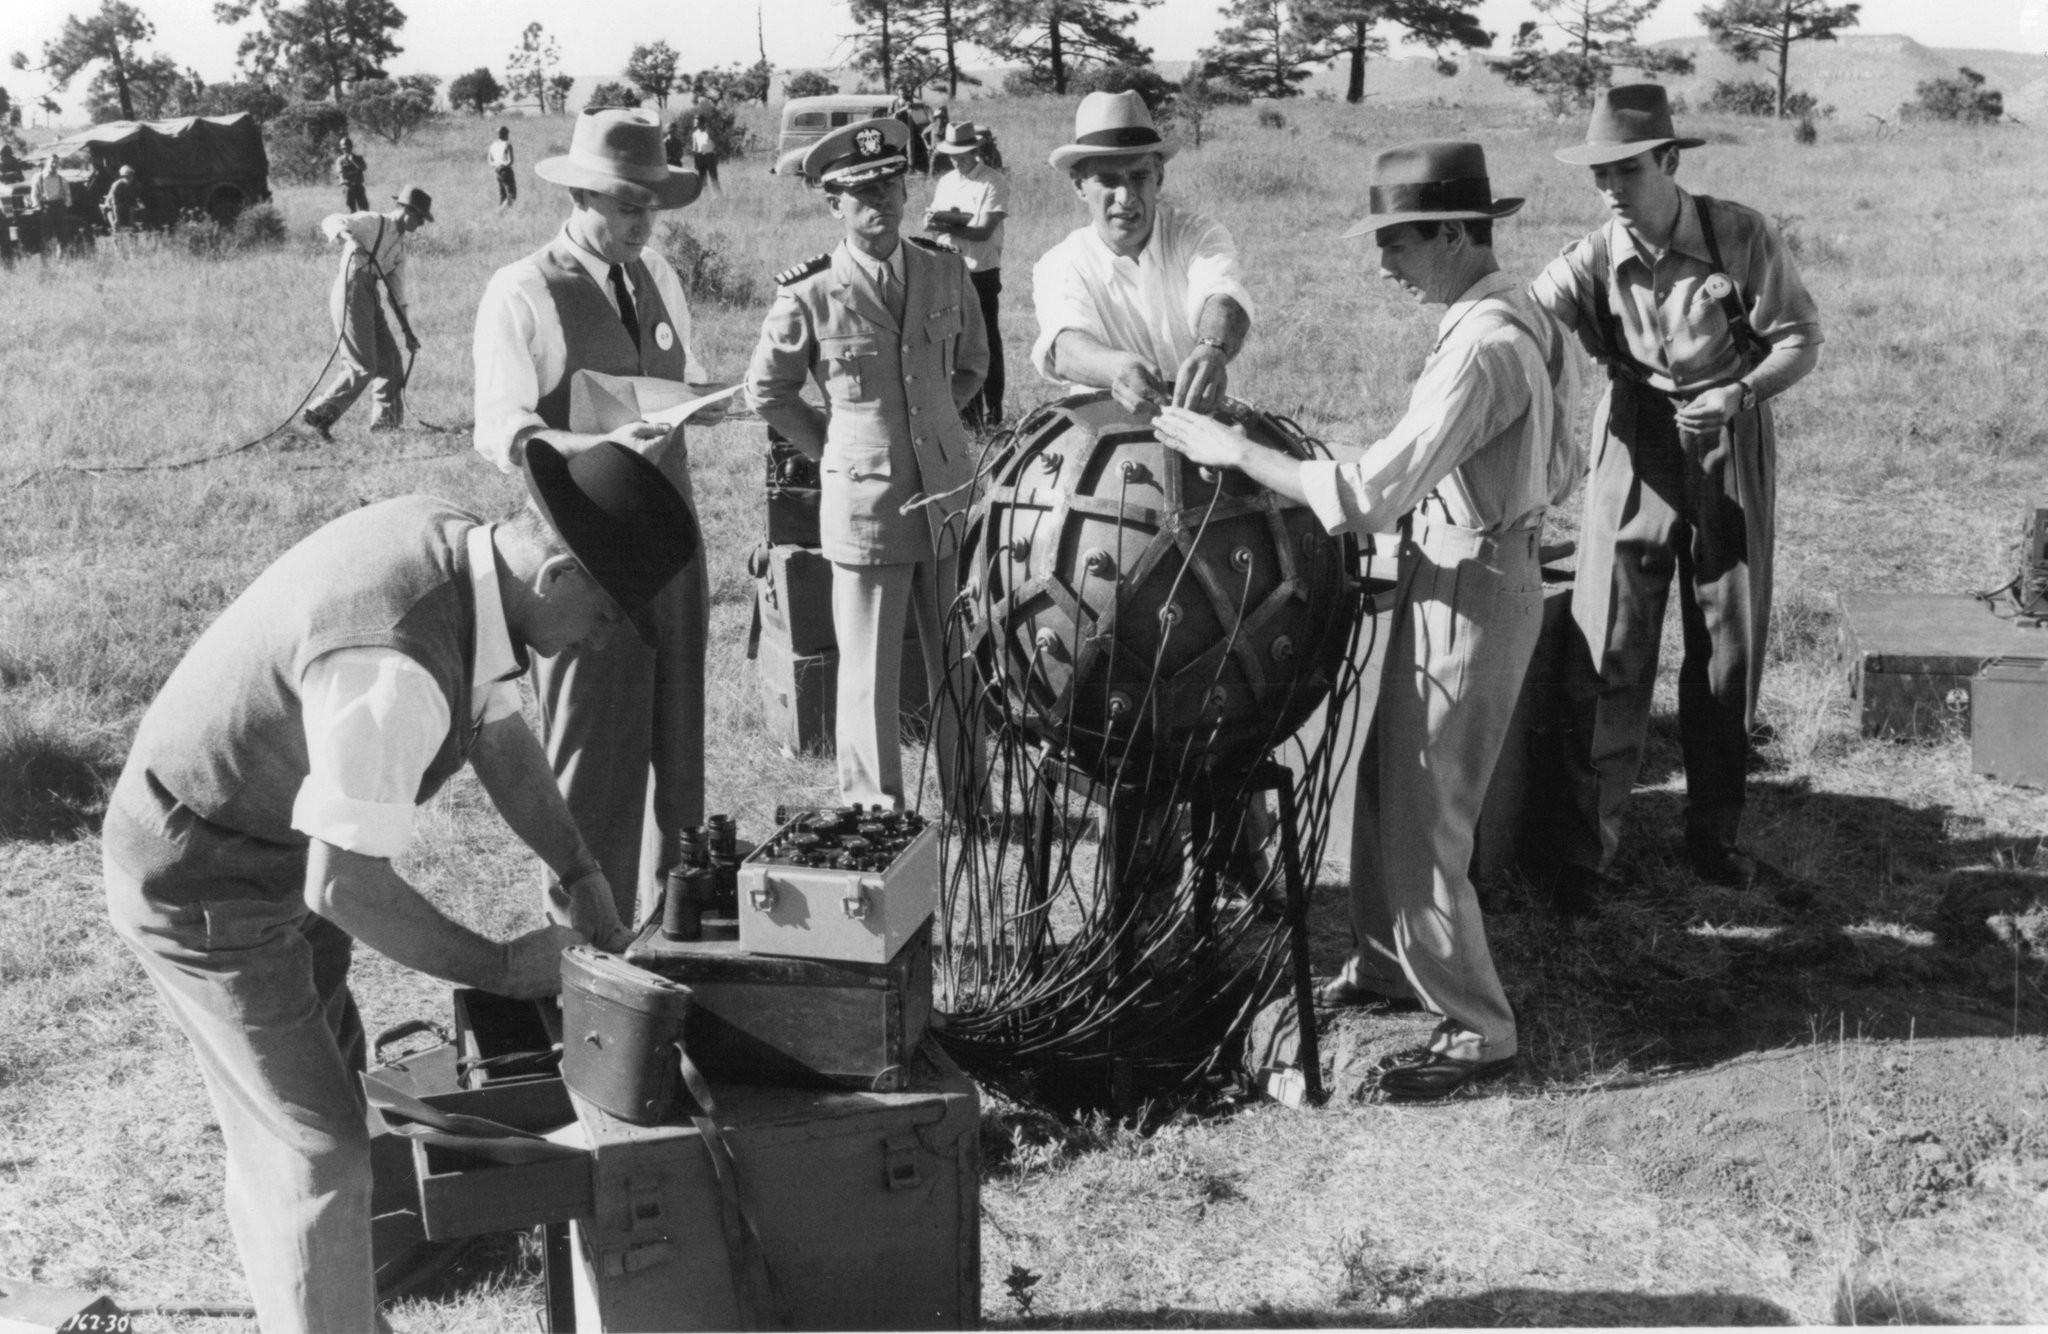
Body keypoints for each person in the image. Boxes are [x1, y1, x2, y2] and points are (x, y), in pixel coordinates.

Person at [103, 437, 697, 1333]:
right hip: (203, 877)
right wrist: (505, 967)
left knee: (317, 1115)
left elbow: (496, 733)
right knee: (319, 1154)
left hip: (267, 844)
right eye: (607, 615)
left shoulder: (463, 553)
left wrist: (579, 867)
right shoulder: (395, 664)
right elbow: (343, 886)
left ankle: (325, 1310)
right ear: (558, 575)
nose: (601, 640)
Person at [1155, 140, 1578, 1102]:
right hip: (1463, 563)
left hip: (1472, 585)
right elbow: (1475, 464)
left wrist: (1236, 451)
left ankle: (1478, 1026)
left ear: (1452, 233)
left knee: (1431, 812)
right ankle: (1388, 964)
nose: (1384, 263)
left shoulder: (1486, 346)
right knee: (1390, 785)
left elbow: (1370, 493)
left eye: (1397, 241)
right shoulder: (1516, 315)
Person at [1530, 84, 1822, 906]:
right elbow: (1528, 318)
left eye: (1626, 170)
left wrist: (1742, 392)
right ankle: (1587, 853)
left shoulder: (1740, 235)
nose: (1611, 190)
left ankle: (1714, 836)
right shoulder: (1592, 256)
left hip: (1729, 433)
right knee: (1609, 637)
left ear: (1668, 160)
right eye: (1599, 175)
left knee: (1727, 641)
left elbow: (1800, 338)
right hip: (1635, 432)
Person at [472, 108, 724, 928]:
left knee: (678, 752)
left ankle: (676, 931)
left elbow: (681, 378)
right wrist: (592, 444)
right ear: (580, 195)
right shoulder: (523, 289)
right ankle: (585, 947)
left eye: (652, 207)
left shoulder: (660, 278)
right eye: (626, 206)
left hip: (672, 542)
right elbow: (501, 429)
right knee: (592, 757)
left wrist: (713, 401)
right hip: (583, 558)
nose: (642, 224)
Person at [745, 117, 988, 813]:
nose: (879, 201)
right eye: (861, 192)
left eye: (889, 185)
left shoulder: (945, 270)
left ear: (906, 192)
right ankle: (877, 812)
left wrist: (932, 427)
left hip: (946, 494)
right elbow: (767, 390)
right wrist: (835, 448)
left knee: (960, 659)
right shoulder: (810, 292)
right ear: (834, 205)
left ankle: (971, 801)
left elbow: (972, 366)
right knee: (869, 670)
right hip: (865, 503)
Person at [1032, 89, 1253, 418]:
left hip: (1203, 421)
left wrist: (1212, 348)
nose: (1125, 197)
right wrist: (1116, 368)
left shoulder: (1197, 234)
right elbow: (1065, 348)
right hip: (1108, 430)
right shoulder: (1060, 263)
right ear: (1079, 185)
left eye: (1138, 177)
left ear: (1159, 177)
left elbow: (1223, 296)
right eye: (1108, 180)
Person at [300, 185, 433, 438]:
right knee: (362, 365)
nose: (421, 224)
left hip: (371, 296)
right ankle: (318, 415)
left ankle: (387, 428)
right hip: (351, 289)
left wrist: (408, 332)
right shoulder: (372, 221)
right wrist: (349, 238)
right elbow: (331, 220)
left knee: (390, 362)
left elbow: (397, 296)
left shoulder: (399, 249)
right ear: (407, 211)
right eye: (420, 218)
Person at [924, 119, 1008, 427]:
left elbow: (984, 231)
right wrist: (934, 223)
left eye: (962, 155)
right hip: (949, 269)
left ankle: (993, 413)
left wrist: (947, 226)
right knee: (956, 343)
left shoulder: (992, 182)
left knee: (986, 344)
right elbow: (934, 221)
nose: (957, 161)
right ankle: (968, 415)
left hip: (980, 271)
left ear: (975, 151)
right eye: (952, 156)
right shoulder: (946, 182)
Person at [34, 156, 70, 255]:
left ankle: (62, 258)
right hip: (46, 208)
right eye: (52, 162)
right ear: (47, 163)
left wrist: (65, 205)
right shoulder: (39, 177)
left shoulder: (61, 178)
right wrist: (39, 207)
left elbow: (67, 194)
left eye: (56, 163)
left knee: (62, 234)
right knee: (46, 235)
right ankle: (47, 260)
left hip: (59, 206)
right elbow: (34, 194)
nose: (54, 165)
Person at [335, 134, 368, 213]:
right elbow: (341, 173)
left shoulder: (358, 158)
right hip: (348, 188)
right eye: (344, 148)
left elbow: (363, 168)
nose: (346, 150)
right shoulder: (340, 160)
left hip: (358, 187)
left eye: (348, 148)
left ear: (351, 147)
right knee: (351, 211)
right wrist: (355, 171)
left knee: (365, 210)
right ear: (341, 149)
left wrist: (353, 161)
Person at [103, 163, 140, 232]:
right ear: (122, 177)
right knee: (116, 226)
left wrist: (131, 220)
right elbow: (115, 204)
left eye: (130, 176)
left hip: (126, 204)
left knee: (132, 225)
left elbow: (132, 203)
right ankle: (115, 229)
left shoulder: (136, 185)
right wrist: (117, 219)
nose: (128, 178)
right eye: (125, 177)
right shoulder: (117, 186)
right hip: (112, 205)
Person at [690, 117, 720, 195]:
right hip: (700, 156)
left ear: (701, 122)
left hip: (710, 156)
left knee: (713, 177)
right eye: (695, 122)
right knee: (702, 178)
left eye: (697, 122)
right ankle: (706, 196)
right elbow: (695, 148)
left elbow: (716, 143)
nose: (696, 123)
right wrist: (696, 161)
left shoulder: (709, 131)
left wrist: (716, 156)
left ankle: (718, 195)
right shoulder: (695, 134)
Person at [489, 125, 517, 207]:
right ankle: (501, 212)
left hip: (497, 171)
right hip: (506, 171)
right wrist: (504, 165)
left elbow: (490, 161)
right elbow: (511, 161)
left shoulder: (492, 146)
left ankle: (500, 212)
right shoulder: (507, 145)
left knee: (503, 196)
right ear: (506, 134)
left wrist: (498, 165)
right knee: (512, 196)